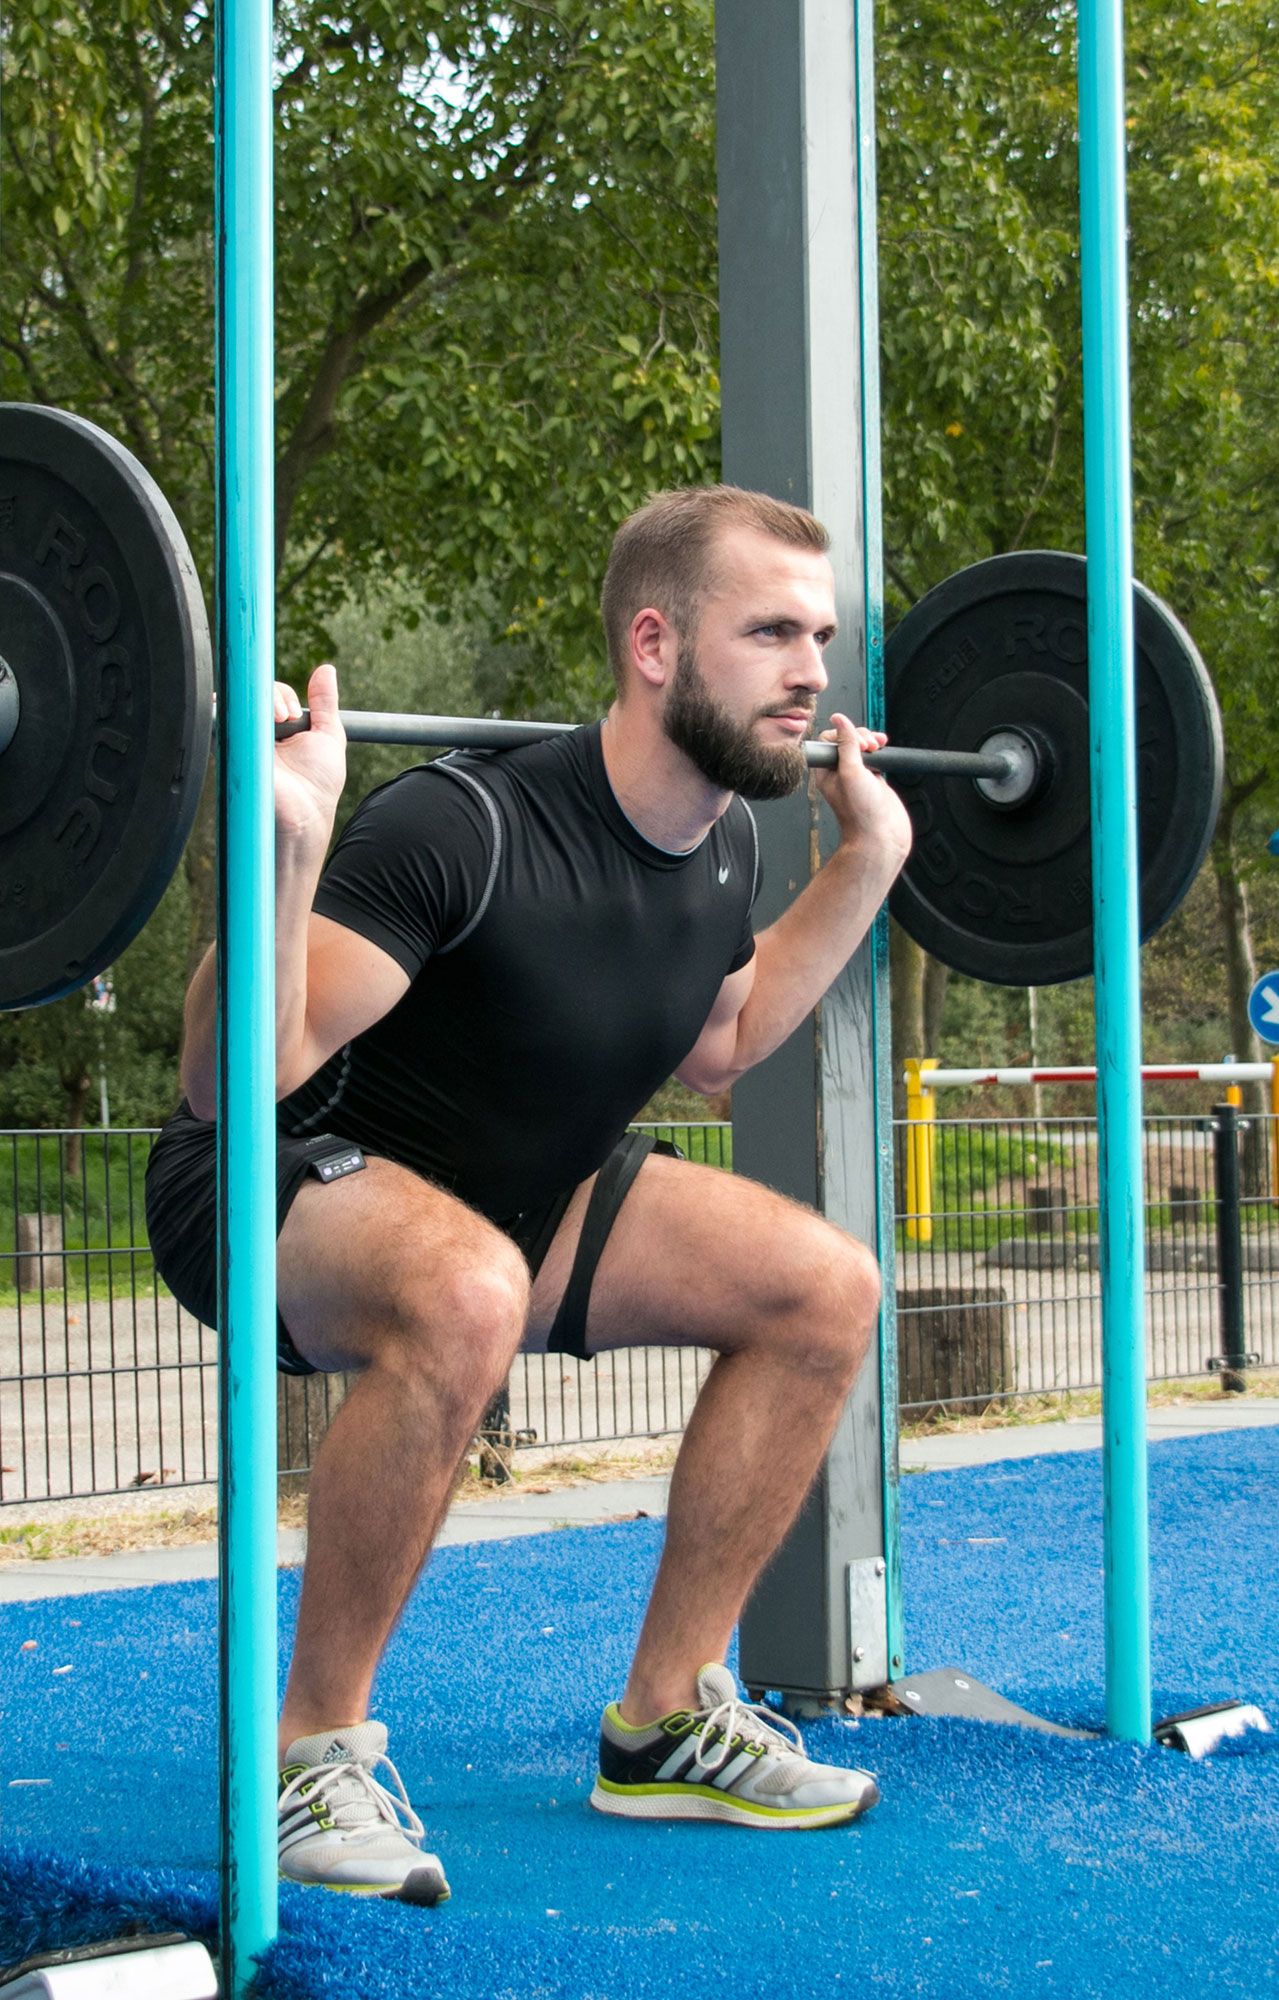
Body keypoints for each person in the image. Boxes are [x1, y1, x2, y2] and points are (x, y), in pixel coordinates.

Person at [145, 483, 912, 1907]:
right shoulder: (465, 825)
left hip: (509, 1190)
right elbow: (226, 1081)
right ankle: (310, 1752)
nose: (815, 671)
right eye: (771, 633)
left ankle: (669, 1718)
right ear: (654, 646)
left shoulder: (726, 843)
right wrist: (289, 850)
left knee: (826, 1292)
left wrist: (873, 857)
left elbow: (723, 1047)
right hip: (265, 1180)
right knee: (465, 1290)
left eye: (821, 634)